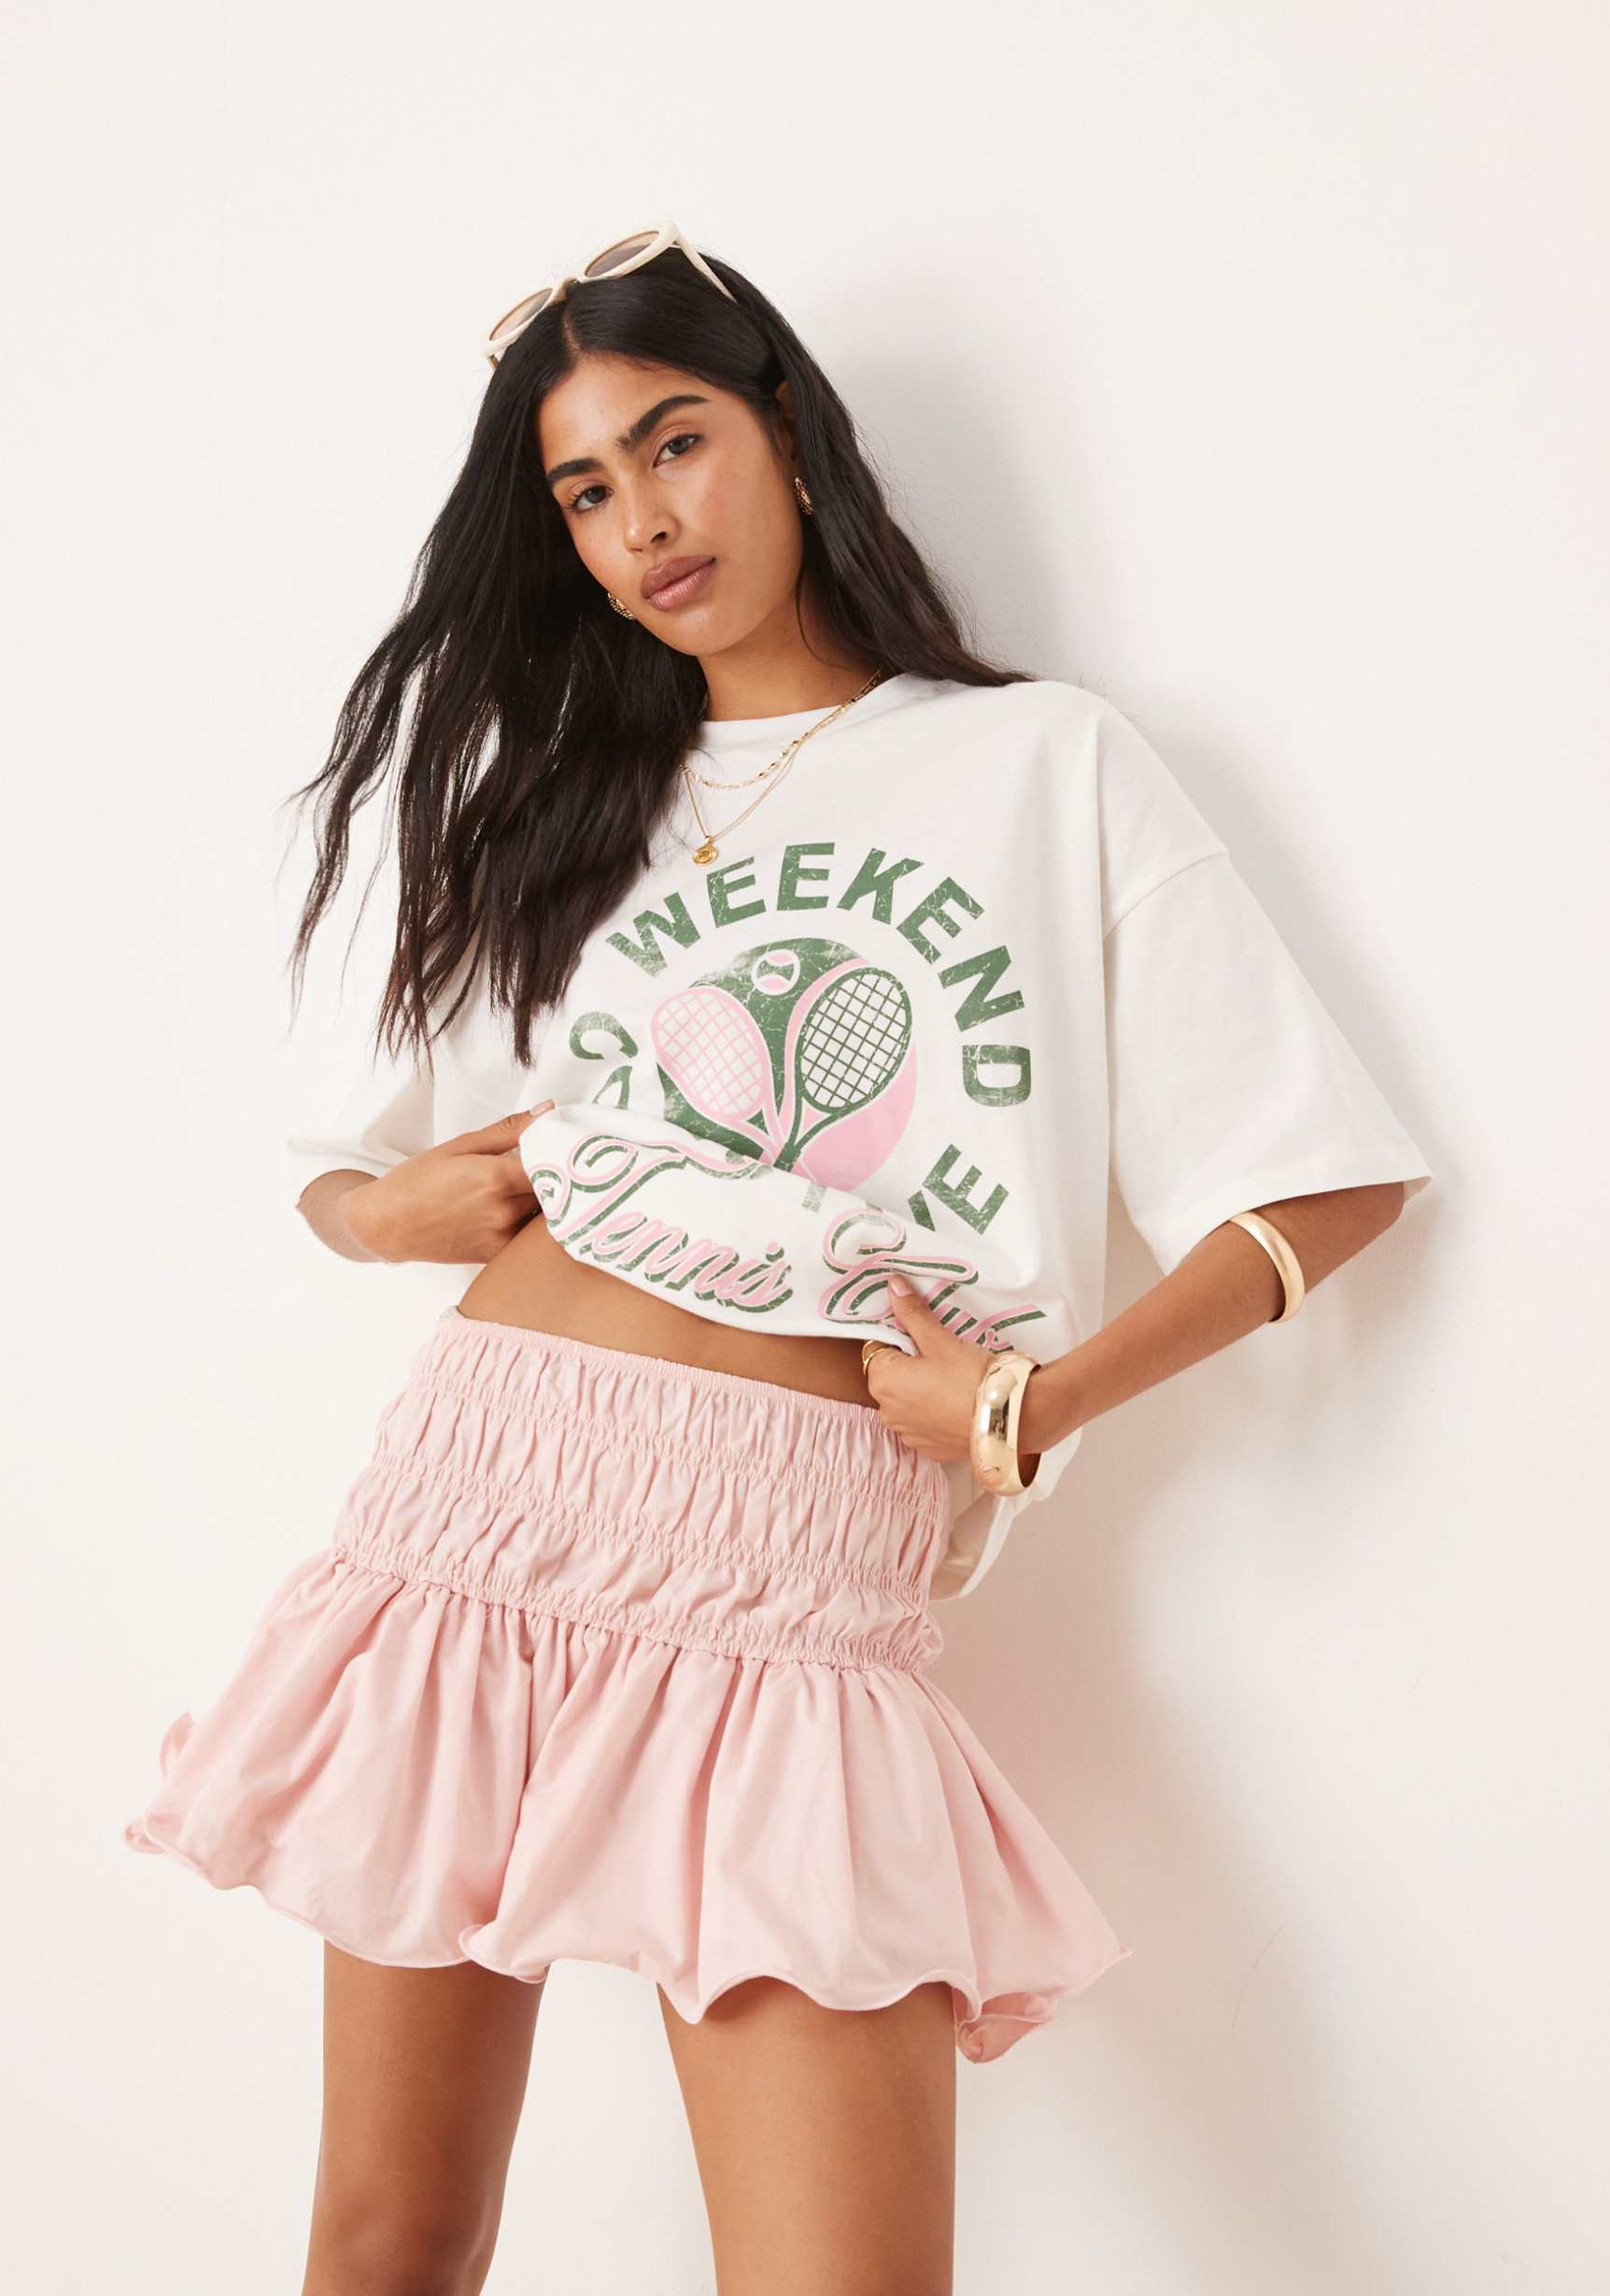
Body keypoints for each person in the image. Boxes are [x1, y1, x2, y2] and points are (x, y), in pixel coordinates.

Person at [121, 222, 1434, 2294]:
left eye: (676, 444)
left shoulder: (1041, 763)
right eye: (585, 491)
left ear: (789, 435)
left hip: (795, 1562)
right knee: (389, 2239)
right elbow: (347, 1170)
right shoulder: (558, 802)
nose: (644, 521)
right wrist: (389, 1213)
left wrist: (1034, 1400)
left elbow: (1330, 1181)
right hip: (476, 1506)